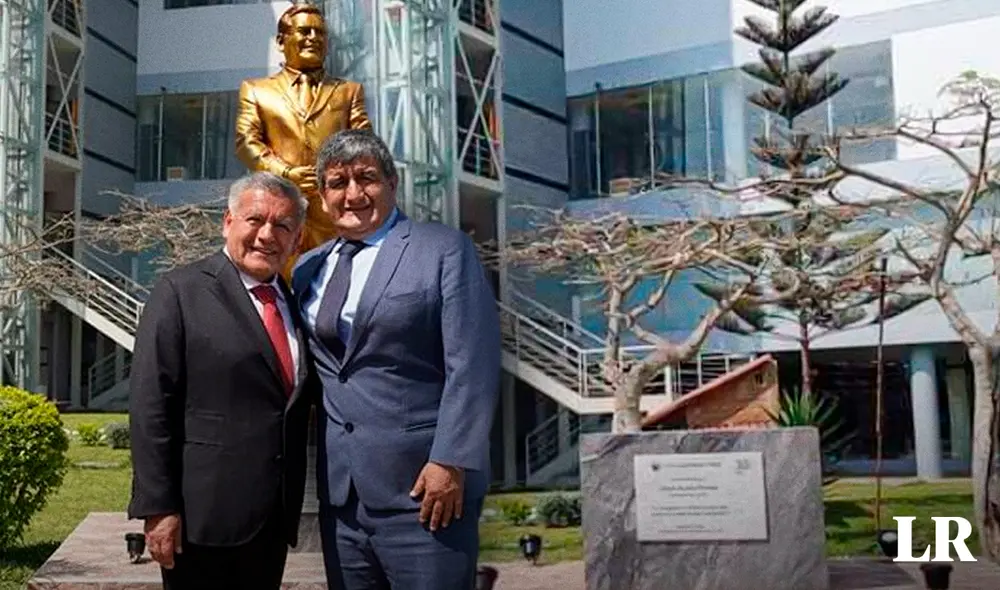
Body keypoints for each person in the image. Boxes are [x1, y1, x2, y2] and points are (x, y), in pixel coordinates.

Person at [291, 129, 501, 590]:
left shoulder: (443, 249)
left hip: (426, 490)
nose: (352, 193)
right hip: (342, 496)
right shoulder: (309, 267)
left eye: (366, 178)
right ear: (323, 195)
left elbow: (473, 365)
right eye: (337, 182)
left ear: (392, 183)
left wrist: (450, 460)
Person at [127, 172, 315, 589]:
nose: (267, 235)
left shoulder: (295, 305)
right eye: (255, 220)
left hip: (272, 520)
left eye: (282, 226)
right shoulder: (181, 291)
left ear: (297, 240)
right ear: (228, 223)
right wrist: (158, 507)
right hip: (200, 522)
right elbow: (150, 405)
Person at [235, 1, 372, 277]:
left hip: (334, 213)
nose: (313, 38)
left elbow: (363, 142)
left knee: (336, 281)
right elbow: (246, 142)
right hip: (279, 208)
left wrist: (338, 176)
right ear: (281, 41)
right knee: (275, 282)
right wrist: (286, 173)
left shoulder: (348, 91)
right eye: (305, 32)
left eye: (320, 33)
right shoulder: (256, 90)